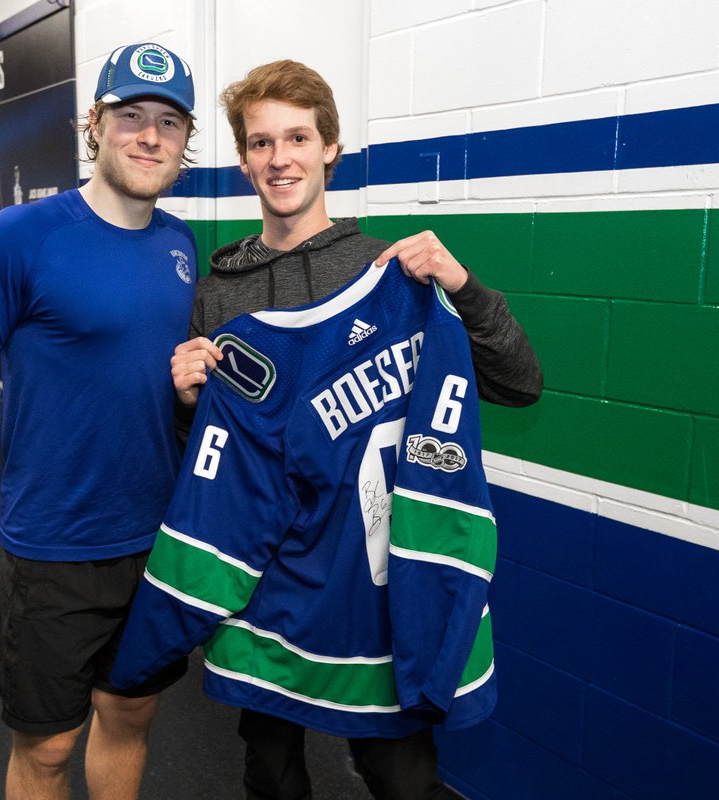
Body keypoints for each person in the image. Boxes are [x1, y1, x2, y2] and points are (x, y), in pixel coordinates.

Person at [115, 60, 542, 799]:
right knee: (273, 777)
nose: (279, 158)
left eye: (297, 138)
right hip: (262, 585)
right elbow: (201, 466)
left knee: (402, 778)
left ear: (330, 150)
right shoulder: (217, 298)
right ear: (244, 158)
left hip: (370, 588)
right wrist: (185, 401)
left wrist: (462, 287)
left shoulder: (390, 272)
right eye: (260, 143)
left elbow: (519, 383)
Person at [0, 42, 198, 800]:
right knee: (47, 749)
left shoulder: (181, 245)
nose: (149, 135)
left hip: (158, 541)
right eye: (131, 115)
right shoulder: (22, 235)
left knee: (131, 715)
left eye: (168, 122)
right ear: (95, 123)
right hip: (57, 545)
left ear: (185, 140)